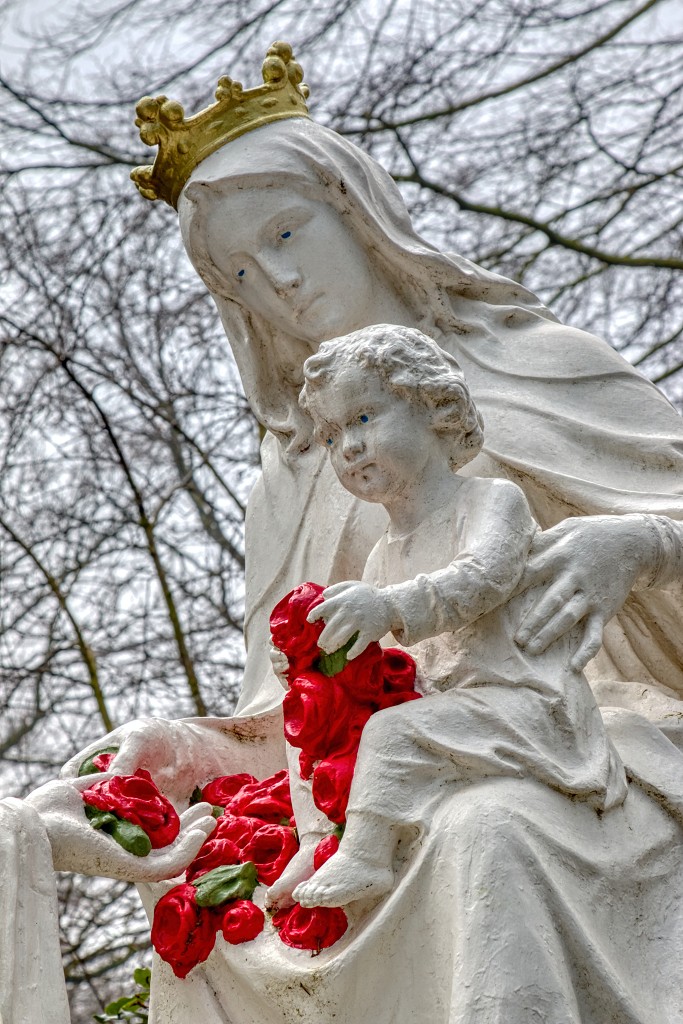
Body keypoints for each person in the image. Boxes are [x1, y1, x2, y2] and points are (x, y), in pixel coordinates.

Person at [3, 50, 683, 1024]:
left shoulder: (545, 370)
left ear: (355, 210)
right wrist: (187, 748)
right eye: (240, 272)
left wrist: (640, 546)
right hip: (385, 770)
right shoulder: (289, 485)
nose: (279, 284)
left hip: (585, 738)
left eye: (287, 232)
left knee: (483, 834)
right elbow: (294, 712)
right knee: (202, 907)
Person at [292, 324, 627, 909]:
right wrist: (317, 655)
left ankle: (366, 856)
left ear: (435, 409)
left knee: (391, 734)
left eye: (365, 418)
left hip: (526, 706)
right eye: (332, 434)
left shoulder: (492, 501)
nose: (348, 446)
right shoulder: (381, 553)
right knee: (356, 742)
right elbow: (382, 662)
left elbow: (485, 576)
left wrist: (391, 607)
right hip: (450, 715)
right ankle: (327, 844)